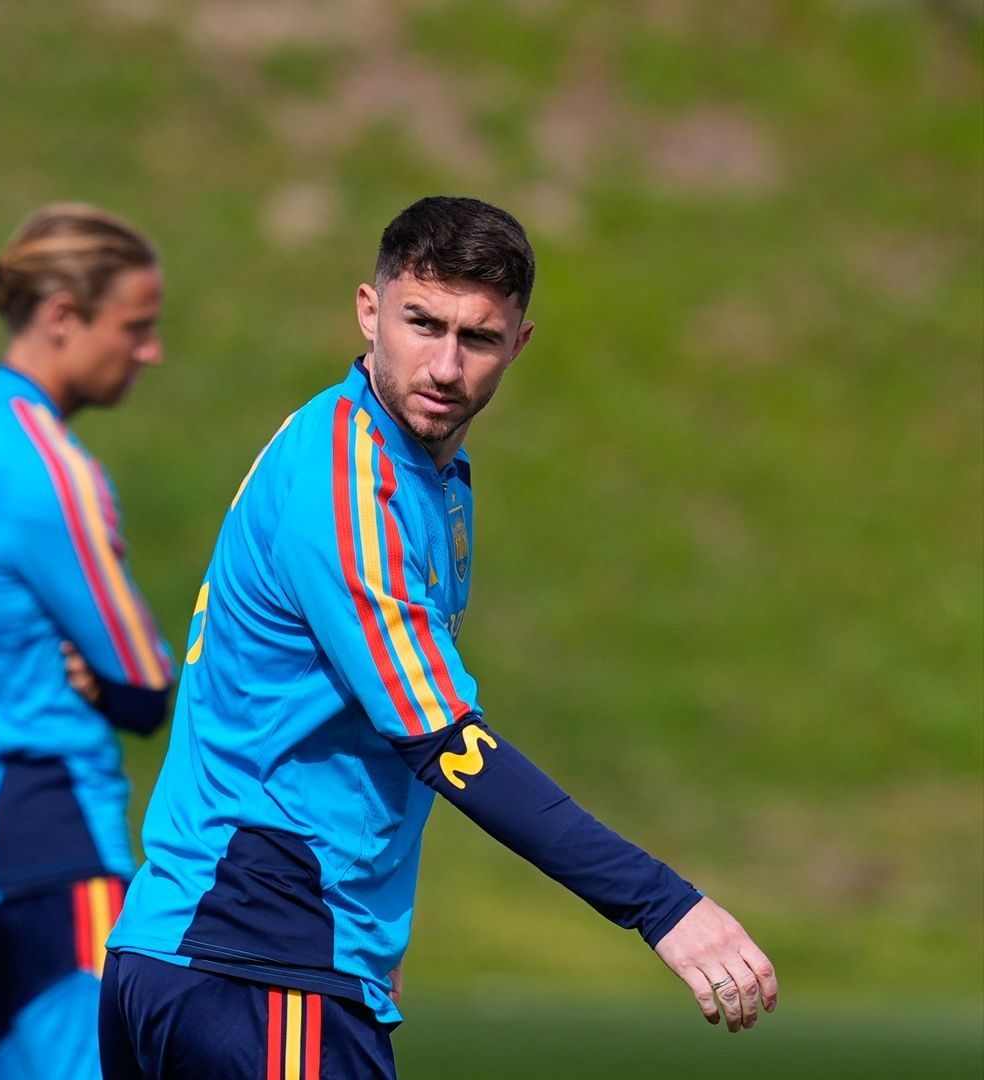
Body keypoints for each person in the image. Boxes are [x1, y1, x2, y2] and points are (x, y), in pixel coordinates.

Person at [102, 196, 778, 1078]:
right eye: (422, 324)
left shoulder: (426, 473)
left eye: (479, 338)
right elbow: (445, 746)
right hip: (258, 968)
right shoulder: (349, 483)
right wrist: (663, 905)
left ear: (520, 345)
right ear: (368, 311)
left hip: (230, 959)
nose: (447, 366)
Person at [0, 203, 178, 1079]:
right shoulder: (46, 466)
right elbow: (144, 685)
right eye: (136, 327)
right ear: (63, 318)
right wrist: (118, 678)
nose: (150, 351)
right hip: (52, 855)